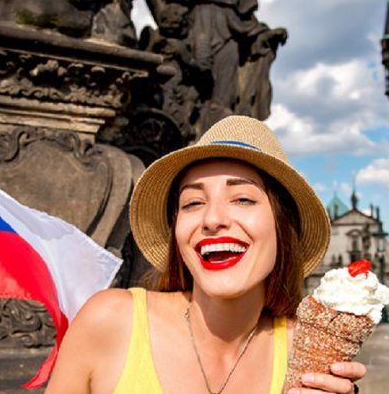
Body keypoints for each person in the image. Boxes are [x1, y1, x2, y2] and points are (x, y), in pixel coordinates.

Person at [46, 116, 365, 393]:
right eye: (192, 203)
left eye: (242, 199)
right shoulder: (111, 321)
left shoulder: (306, 358)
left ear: (283, 229)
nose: (212, 219)